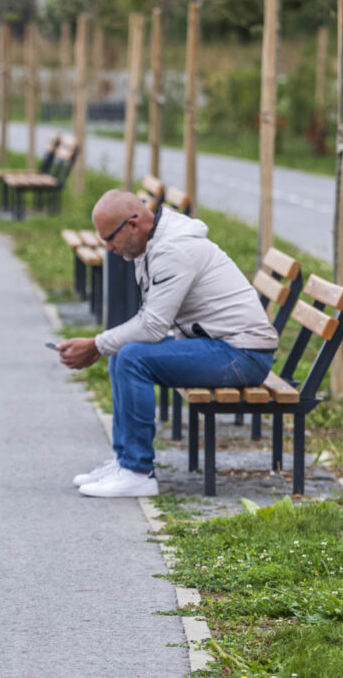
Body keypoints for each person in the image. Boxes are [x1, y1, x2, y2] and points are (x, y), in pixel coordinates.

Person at [56, 190, 277, 498]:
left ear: (133, 225)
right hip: (221, 346)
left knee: (132, 357)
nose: (108, 247)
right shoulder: (150, 243)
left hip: (242, 355)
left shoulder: (174, 250)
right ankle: (125, 462)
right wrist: (103, 345)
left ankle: (138, 471)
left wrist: (95, 344)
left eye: (110, 238)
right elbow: (151, 320)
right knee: (123, 352)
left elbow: (153, 326)